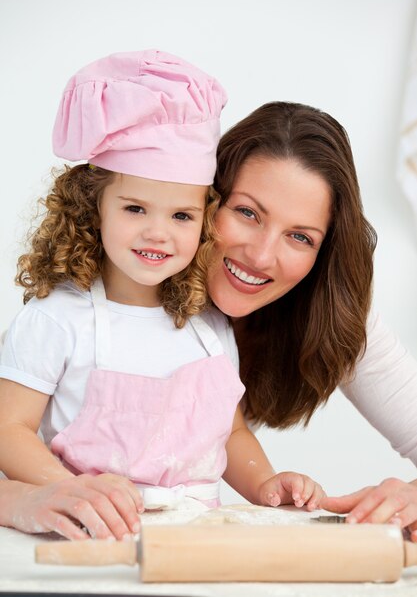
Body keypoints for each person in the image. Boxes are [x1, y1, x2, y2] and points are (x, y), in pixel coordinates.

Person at [0, 56, 325, 540]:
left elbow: (230, 432)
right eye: (135, 208)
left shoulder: (206, 324)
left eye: (181, 216)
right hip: (91, 537)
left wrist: (265, 483)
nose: (158, 233)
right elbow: (8, 428)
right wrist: (64, 490)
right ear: (94, 208)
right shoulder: (58, 318)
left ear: (205, 220)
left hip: (194, 540)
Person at [207, 101, 417, 540]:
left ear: (324, 255)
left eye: (300, 237)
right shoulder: (124, 283)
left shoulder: (329, 314)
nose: (261, 256)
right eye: (247, 212)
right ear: (209, 198)